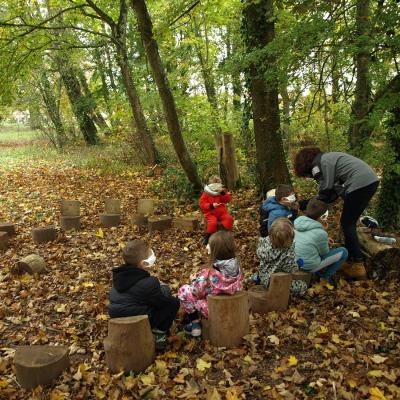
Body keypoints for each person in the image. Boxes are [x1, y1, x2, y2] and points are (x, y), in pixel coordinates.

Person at [294, 147, 379, 279]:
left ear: (305, 165)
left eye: (306, 175)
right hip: (369, 180)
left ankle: (358, 264)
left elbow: (325, 192)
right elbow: (332, 194)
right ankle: (351, 259)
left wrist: (304, 205)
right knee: (348, 222)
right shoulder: (327, 159)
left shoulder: (317, 165)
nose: (310, 177)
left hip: (360, 183)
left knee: (347, 223)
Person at [107, 240, 180, 350]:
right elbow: (162, 301)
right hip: (137, 320)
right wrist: (163, 287)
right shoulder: (149, 282)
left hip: (117, 317)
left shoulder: (119, 277)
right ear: (143, 263)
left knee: (146, 300)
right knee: (173, 303)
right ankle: (159, 334)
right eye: (151, 255)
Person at [178, 231, 242, 337]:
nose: (207, 246)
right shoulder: (237, 265)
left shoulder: (209, 273)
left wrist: (193, 280)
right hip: (232, 304)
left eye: (210, 245)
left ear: (215, 251)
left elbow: (197, 292)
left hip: (213, 308)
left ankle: (195, 323)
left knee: (184, 290)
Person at [294, 197, 349, 283]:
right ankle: (325, 277)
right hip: (307, 266)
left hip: (294, 260)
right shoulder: (321, 233)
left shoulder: (298, 222)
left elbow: (309, 237)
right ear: (322, 217)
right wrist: (323, 232)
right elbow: (324, 252)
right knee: (344, 252)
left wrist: (324, 239)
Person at [257, 218, 307, 296]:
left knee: (265, 274)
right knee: (302, 286)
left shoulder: (264, 241)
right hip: (275, 281)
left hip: (263, 274)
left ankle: (259, 278)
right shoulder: (287, 254)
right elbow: (290, 269)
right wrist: (297, 265)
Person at [199, 175, 234, 244]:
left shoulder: (220, 192)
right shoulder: (206, 193)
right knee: (212, 223)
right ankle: (208, 237)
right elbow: (202, 204)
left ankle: (225, 234)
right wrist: (211, 205)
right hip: (210, 213)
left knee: (229, 219)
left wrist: (223, 193)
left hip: (221, 212)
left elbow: (227, 200)